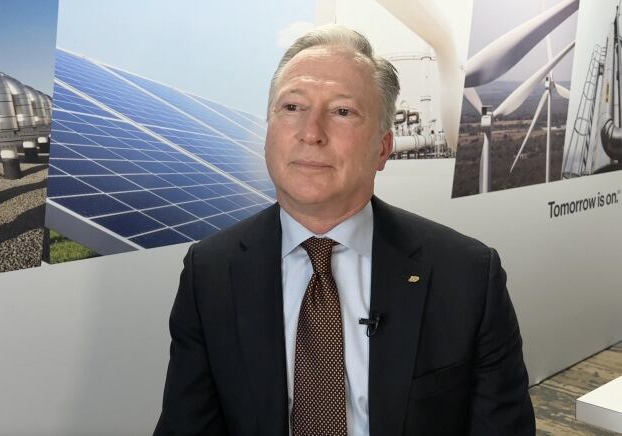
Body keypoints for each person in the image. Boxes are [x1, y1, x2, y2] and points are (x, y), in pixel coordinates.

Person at [154, 25, 534, 436]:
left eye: (342, 112)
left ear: (383, 148)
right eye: (292, 107)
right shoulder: (210, 272)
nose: (311, 132)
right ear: (268, 132)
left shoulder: (466, 275)